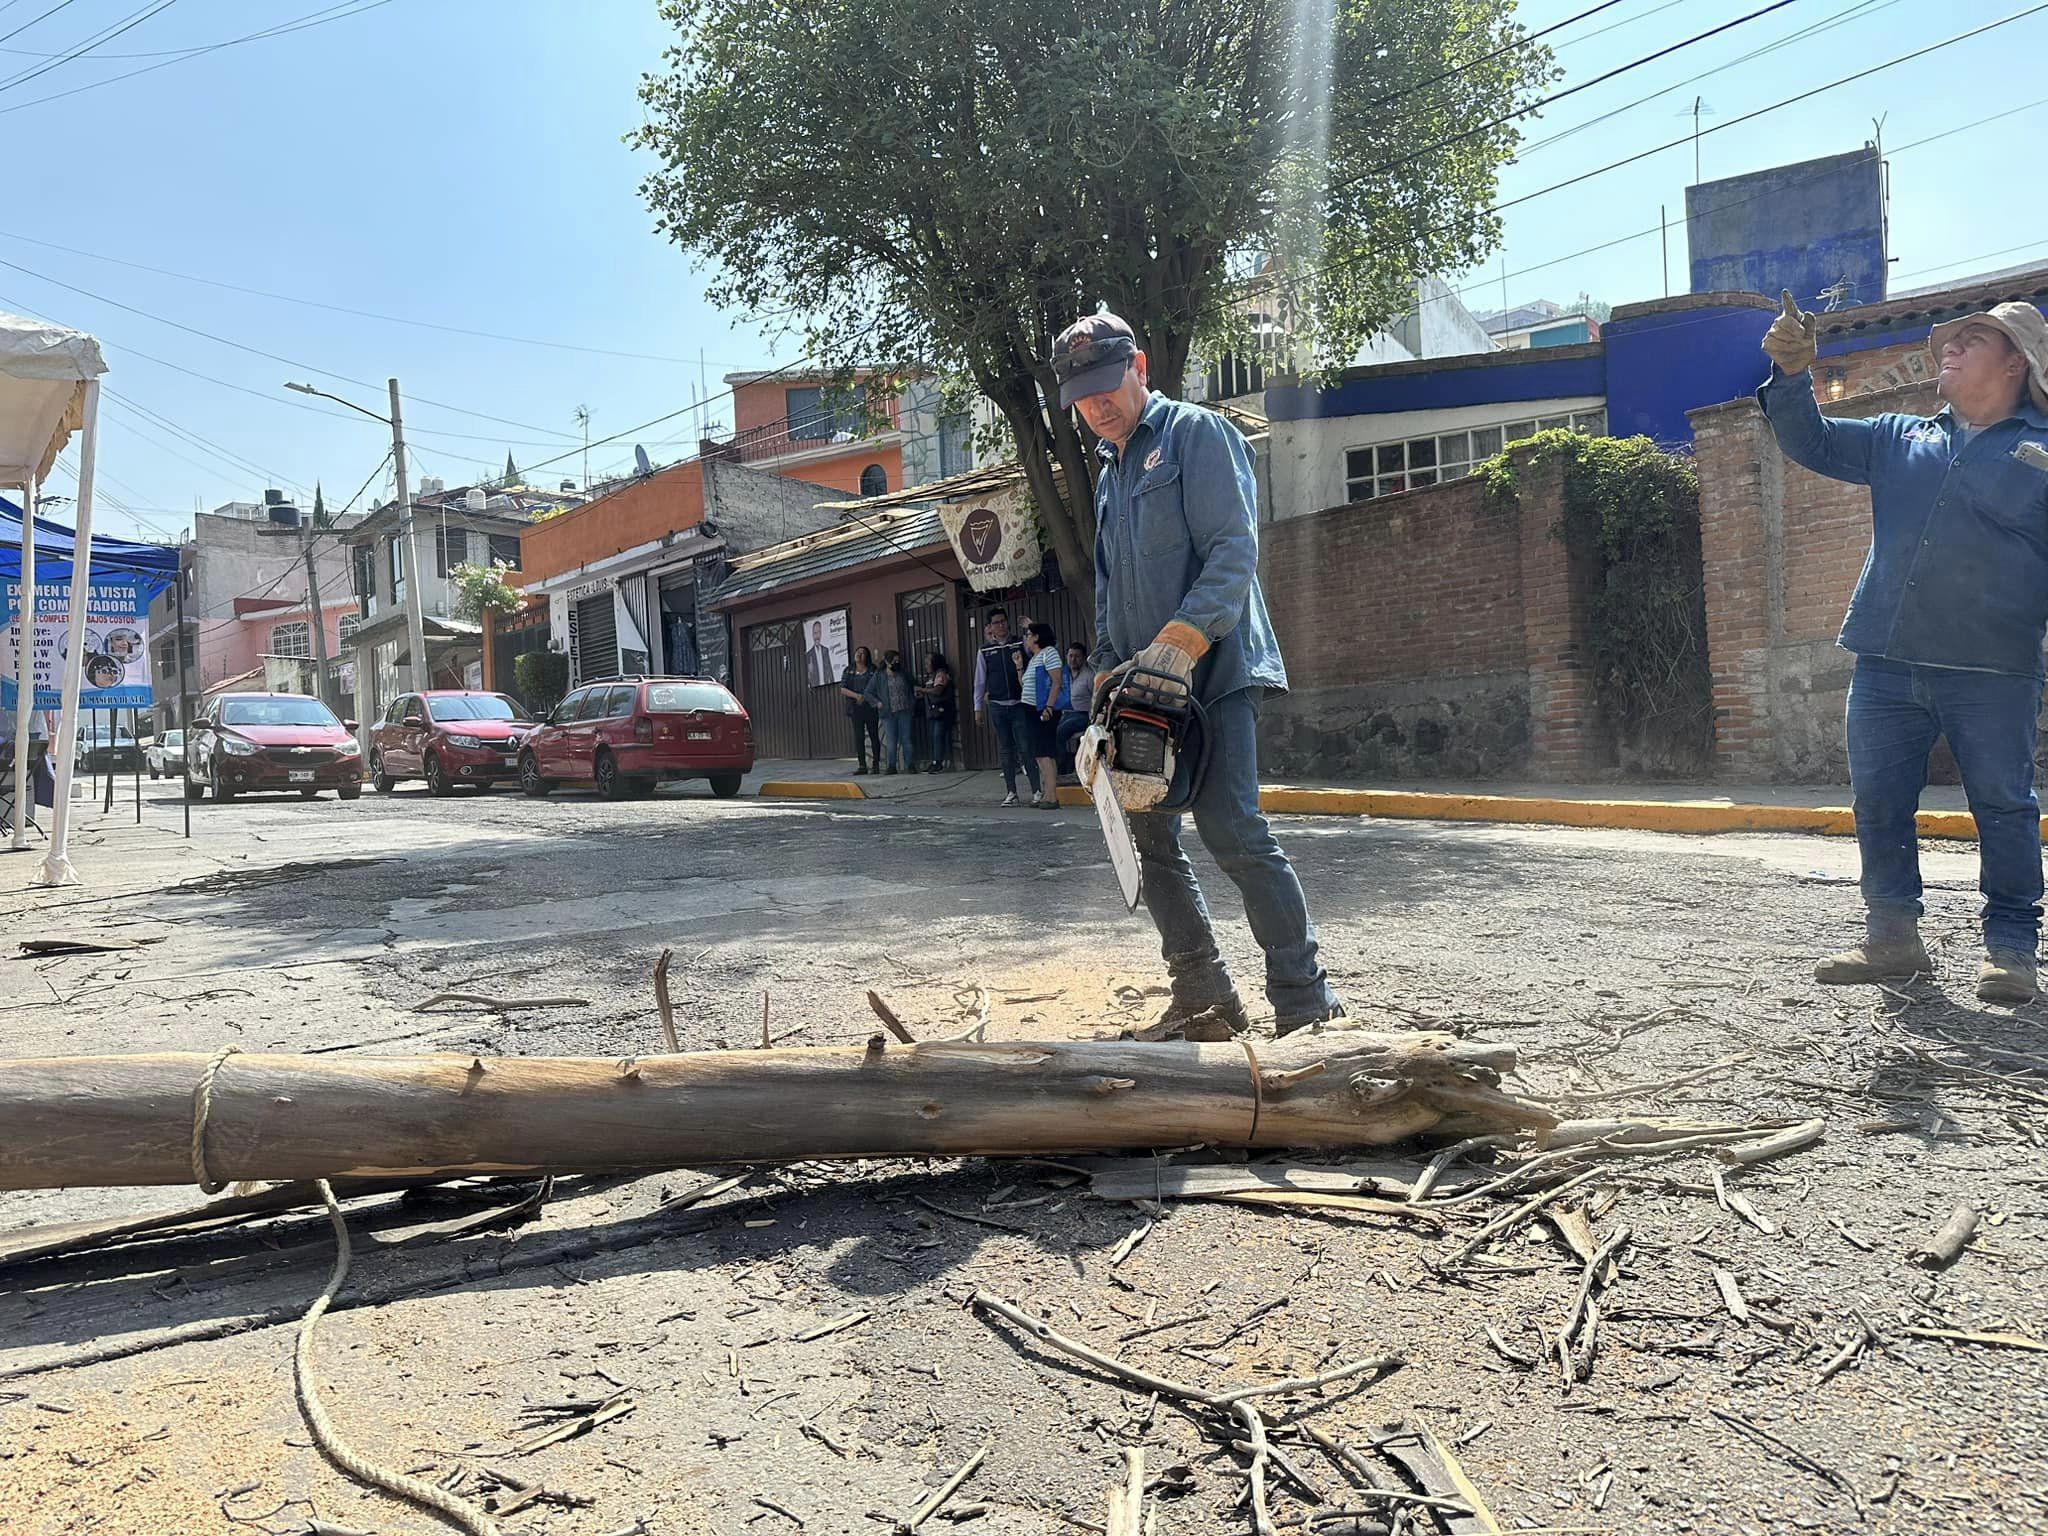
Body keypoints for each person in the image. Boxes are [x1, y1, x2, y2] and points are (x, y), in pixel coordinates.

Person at [1055, 310, 1343, 1038]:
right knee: (1150, 844)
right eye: (1082, 394)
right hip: (1141, 694)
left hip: (1216, 676)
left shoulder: (1197, 435)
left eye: (1106, 383)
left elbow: (1232, 550)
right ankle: (1205, 999)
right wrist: (1105, 682)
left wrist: (1181, 645)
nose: (1097, 404)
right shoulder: (1109, 478)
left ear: (1140, 367)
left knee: (1234, 833)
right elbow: (1110, 588)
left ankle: (1306, 1003)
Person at [1759, 293, 2048, 1004]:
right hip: (1887, 661)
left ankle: (2012, 950)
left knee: (2004, 806)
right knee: (1879, 802)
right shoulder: (1900, 437)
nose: (1946, 348)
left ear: (2016, 360)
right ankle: (1893, 939)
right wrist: (1792, 376)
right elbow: (1813, 441)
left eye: (1971, 340)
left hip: (1994, 668)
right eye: (1945, 341)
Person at [972, 607, 1037, 806]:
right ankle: (1011, 793)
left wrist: (1031, 626)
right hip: (997, 705)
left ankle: (1037, 790)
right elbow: (980, 681)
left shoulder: (1019, 643)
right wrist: (977, 708)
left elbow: (1037, 645)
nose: (1000, 625)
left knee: (1026, 748)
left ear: (1007, 622)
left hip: (1020, 703)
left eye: (1003, 621)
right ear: (990, 627)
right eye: (996, 622)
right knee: (1006, 750)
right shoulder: (985, 650)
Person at [1020, 622, 1065, 809]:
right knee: (1041, 753)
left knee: (1044, 752)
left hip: (1044, 708)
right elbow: (1025, 685)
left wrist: (1049, 707)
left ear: (1037, 637)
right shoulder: (1033, 658)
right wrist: (1018, 667)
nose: (1026, 638)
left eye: (1029, 634)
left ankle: (1052, 796)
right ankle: (1047, 794)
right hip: (1031, 708)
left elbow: (1056, 682)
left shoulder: (1049, 653)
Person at [838, 644, 881, 775]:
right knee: (859, 737)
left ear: (867, 656)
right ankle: (862, 765)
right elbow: (842, 689)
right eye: (857, 652)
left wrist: (868, 697)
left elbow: (877, 686)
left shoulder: (872, 669)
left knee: (874, 736)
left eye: (862, 653)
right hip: (855, 708)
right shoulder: (849, 670)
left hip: (870, 707)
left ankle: (876, 765)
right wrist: (856, 696)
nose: (859, 654)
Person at [1057, 642, 1095, 777]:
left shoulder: (1089, 676)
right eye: (1070, 656)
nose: (1073, 659)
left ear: (1084, 658)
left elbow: (1095, 698)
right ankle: (1067, 761)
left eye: (1077, 656)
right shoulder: (1063, 675)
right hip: (1064, 713)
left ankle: (1062, 771)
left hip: (1082, 715)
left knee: (1059, 732)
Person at [878, 649, 916, 774]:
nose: (896, 663)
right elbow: (868, 692)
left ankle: (910, 765)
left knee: (906, 739)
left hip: (905, 710)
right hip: (888, 713)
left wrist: (914, 697)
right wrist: (877, 703)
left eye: (898, 661)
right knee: (891, 741)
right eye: (894, 661)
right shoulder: (880, 676)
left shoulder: (903, 673)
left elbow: (913, 684)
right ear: (887, 661)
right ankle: (892, 766)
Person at [920, 651, 957, 772]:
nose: (926, 665)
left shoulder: (941, 674)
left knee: (938, 736)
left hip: (942, 711)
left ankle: (938, 762)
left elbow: (938, 691)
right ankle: (938, 761)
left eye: (928, 662)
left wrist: (922, 690)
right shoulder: (932, 676)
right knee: (937, 736)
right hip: (934, 712)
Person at [806, 621, 837, 688]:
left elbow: (830, 669)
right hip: (815, 688)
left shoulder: (825, 650)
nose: (817, 636)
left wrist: (833, 682)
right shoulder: (809, 654)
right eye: (815, 633)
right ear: (812, 635)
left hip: (827, 686)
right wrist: (810, 671)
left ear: (821, 633)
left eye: (819, 632)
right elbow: (808, 676)